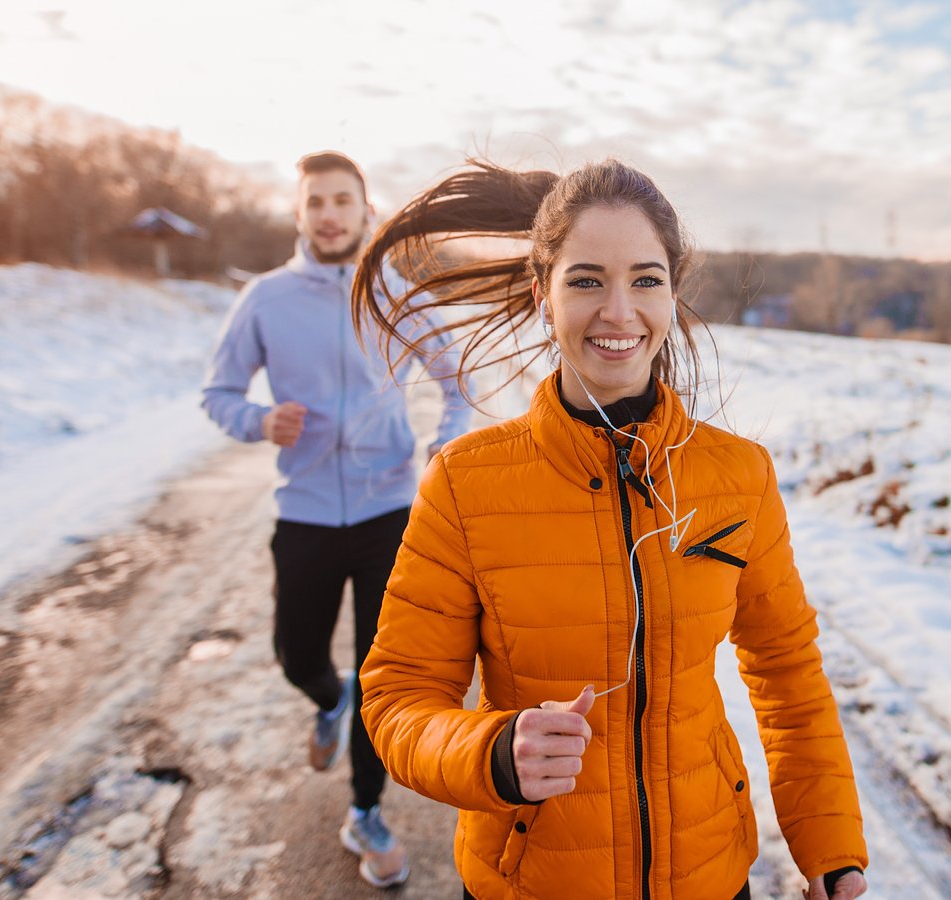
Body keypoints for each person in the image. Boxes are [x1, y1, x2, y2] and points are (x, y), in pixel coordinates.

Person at [352, 159, 870, 900]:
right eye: (587, 279)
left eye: (646, 280)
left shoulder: (738, 475)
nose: (619, 311)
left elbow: (788, 672)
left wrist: (829, 844)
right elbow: (398, 696)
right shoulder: (465, 485)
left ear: (674, 293)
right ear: (543, 294)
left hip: (709, 878)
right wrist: (492, 752)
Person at [201, 150, 471, 889]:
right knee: (298, 655)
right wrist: (261, 421)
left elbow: (460, 384)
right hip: (308, 512)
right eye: (315, 201)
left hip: (390, 512)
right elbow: (218, 393)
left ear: (364, 209)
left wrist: (443, 444)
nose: (328, 214)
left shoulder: (398, 296)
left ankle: (365, 810)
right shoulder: (264, 300)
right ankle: (328, 699)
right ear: (299, 213)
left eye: (341, 200)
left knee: (382, 676)